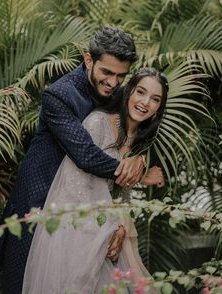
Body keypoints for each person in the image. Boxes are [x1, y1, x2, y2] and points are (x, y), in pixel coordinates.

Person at [0, 26, 146, 294]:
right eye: (106, 72)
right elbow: (84, 153)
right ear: (88, 60)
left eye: (121, 75)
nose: (113, 82)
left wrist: (138, 158)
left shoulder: (118, 94)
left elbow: (129, 137)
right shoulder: (58, 95)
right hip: (38, 206)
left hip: (85, 210)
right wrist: (129, 170)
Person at [22, 67, 168, 294]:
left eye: (155, 99)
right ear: (128, 91)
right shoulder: (97, 123)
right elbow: (76, 188)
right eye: (141, 92)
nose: (145, 102)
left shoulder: (141, 144)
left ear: (159, 107)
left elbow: (120, 195)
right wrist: (112, 228)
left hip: (112, 234)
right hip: (77, 231)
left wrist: (120, 228)